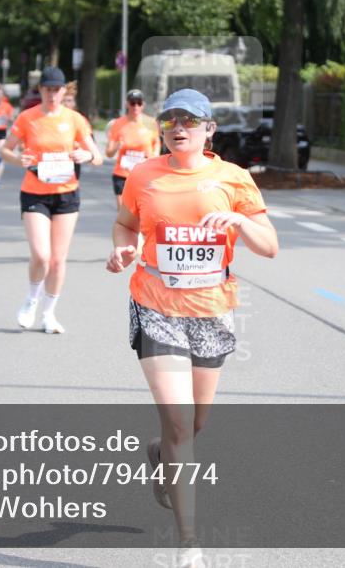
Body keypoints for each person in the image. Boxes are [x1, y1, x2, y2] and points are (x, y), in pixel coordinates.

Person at [105, 89, 278, 567]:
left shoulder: (233, 178)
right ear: (162, 129)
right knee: (181, 419)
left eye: (190, 120)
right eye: (171, 120)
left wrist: (239, 222)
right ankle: (188, 544)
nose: (179, 127)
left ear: (209, 130)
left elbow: (270, 246)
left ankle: (160, 453)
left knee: (194, 424)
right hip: (154, 304)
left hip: (211, 309)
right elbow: (125, 224)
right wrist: (123, 249)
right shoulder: (144, 175)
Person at [0, 66, 103, 334]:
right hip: (35, 192)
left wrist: (87, 156)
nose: (52, 94)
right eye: (47, 89)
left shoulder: (75, 119)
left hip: (67, 193)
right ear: (41, 90)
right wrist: (16, 159)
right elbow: (5, 150)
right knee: (42, 256)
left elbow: (98, 155)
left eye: (56, 90)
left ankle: (49, 314)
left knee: (58, 259)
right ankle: (31, 300)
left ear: (63, 91)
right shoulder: (27, 118)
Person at [105, 89, 161, 206]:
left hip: (144, 175)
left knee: (143, 211)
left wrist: (154, 157)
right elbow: (109, 153)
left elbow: (156, 144)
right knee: (123, 215)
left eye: (139, 103)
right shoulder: (117, 124)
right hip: (122, 175)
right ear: (127, 104)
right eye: (132, 103)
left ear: (143, 105)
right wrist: (116, 146)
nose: (135, 106)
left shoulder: (150, 123)